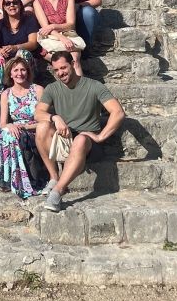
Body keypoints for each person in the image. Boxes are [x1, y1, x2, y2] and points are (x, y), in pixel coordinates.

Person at [35, 52, 125, 211]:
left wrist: (100, 136)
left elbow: (117, 112)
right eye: (56, 70)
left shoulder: (94, 86)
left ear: (73, 64)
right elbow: (38, 113)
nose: (60, 73)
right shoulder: (52, 88)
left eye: (63, 67)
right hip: (65, 138)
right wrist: (55, 117)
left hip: (88, 142)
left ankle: (58, 191)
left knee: (81, 140)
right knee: (42, 126)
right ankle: (54, 177)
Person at [0, 56, 44, 198]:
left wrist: (25, 127)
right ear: (10, 73)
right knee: (1, 134)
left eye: (23, 70)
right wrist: (10, 126)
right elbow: (3, 123)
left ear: (28, 72)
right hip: (15, 129)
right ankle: (9, 179)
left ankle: (26, 181)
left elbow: (45, 120)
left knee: (15, 136)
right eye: (16, 70)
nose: (19, 73)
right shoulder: (6, 94)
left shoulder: (37, 90)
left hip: (34, 129)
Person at [33, 0, 86, 74]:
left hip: (69, 35)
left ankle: (80, 89)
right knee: (61, 62)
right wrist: (62, 38)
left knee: (74, 59)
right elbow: (45, 27)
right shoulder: (38, 2)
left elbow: (70, 24)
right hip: (50, 38)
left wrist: (52, 26)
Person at [0, 0, 40, 88]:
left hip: (26, 58)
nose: (12, 5)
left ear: (20, 5)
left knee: (22, 53)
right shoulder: (0, 24)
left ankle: (26, 87)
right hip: (7, 59)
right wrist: (0, 51)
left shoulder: (29, 20)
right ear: (4, 7)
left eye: (15, 2)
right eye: (8, 3)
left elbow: (33, 43)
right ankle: (2, 90)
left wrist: (16, 48)